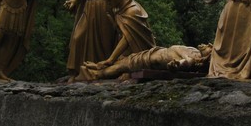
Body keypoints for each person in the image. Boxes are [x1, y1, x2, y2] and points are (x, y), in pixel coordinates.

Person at [85, 0, 156, 71]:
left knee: (106, 71)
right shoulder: (118, 7)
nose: (107, 3)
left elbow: (127, 38)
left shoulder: (132, 11)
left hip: (140, 53)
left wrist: (110, 60)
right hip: (126, 53)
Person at [75, 43, 213, 81]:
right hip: (152, 55)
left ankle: (94, 74)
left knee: (122, 66)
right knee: (122, 64)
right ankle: (98, 68)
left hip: (149, 59)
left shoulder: (194, 54)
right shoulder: (193, 52)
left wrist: (178, 65)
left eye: (210, 46)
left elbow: (188, 62)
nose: (207, 44)